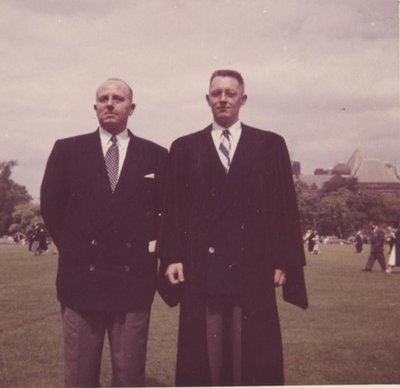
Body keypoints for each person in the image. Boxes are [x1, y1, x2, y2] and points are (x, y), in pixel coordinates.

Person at [158, 69, 308, 386]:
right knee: (205, 358)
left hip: (253, 266)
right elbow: (172, 210)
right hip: (201, 268)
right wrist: (171, 256)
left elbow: (284, 208)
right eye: (217, 93)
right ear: (207, 99)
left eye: (230, 93)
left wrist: (284, 260)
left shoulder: (269, 144)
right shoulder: (185, 147)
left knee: (251, 357)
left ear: (243, 98)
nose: (223, 99)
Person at [41, 78, 167, 387]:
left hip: (133, 281)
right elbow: (51, 206)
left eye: (118, 98)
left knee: (129, 377)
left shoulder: (157, 155)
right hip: (81, 279)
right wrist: (77, 250)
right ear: (95, 106)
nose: (110, 103)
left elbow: (166, 214)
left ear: (131, 107)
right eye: (103, 98)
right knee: (80, 376)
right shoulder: (67, 149)